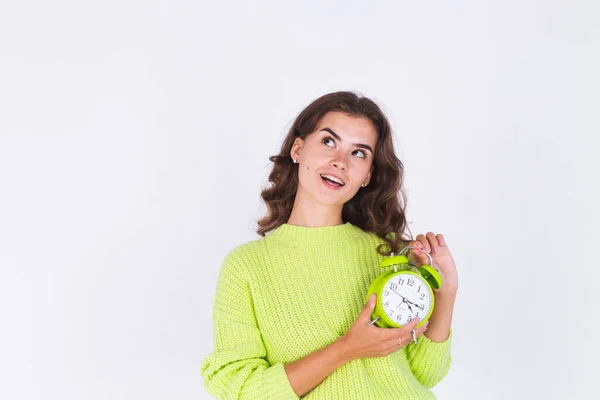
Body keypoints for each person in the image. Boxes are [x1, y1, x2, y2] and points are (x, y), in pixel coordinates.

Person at [201, 91, 458, 399]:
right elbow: (240, 389)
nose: (339, 162)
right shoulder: (246, 267)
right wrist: (347, 348)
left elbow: (423, 375)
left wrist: (446, 294)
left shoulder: (388, 255)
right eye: (328, 141)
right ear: (298, 149)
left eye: (359, 153)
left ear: (367, 176)